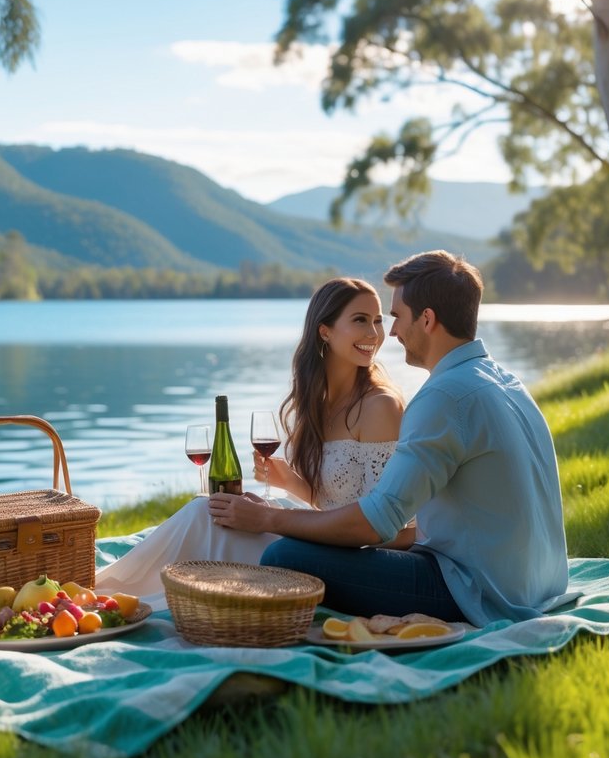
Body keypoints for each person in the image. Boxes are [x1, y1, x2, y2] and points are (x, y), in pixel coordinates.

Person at [210, 250, 572, 627]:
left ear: (427, 319)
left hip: (476, 589)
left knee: (284, 558)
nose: (392, 332)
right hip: (538, 584)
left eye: (396, 317)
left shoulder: (444, 397)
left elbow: (375, 524)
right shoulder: (504, 381)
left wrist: (269, 518)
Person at [94, 277, 405, 604]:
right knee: (211, 510)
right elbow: (337, 502)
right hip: (324, 540)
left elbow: (382, 525)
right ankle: (107, 591)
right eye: (360, 320)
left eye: (378, 320)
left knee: (208, 517)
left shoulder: (378, 407)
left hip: (346, 560)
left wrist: (274, 519)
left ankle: (105, 594)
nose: (374, 333)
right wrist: (292, 483)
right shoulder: (322, 402)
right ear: (324, 330)